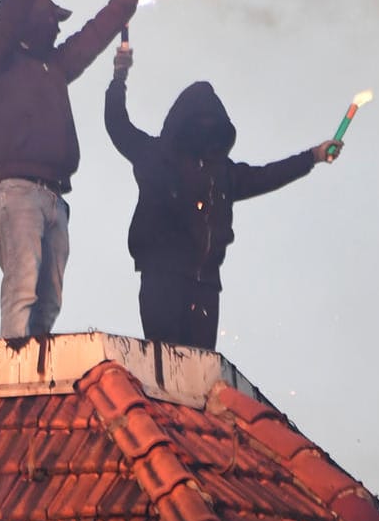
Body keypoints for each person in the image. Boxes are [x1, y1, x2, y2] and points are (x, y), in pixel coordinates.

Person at [104, 41, 340, 350]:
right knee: (163, 365)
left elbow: (267, 175)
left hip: (206, 285)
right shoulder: (155, 156)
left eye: (210, 125)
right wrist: (118, 78)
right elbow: (117, 124)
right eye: (198, 123)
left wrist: (313, 156)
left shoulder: (223, 173)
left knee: (199, 373)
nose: (204, 130)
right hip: (162, 277)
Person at [0, 0, 151, 342]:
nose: (57, 28)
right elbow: (4, 21)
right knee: (22, 288)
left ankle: (35, 369)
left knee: (49, 299)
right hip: (15, 192)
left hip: (55, 198)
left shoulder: (54, 66)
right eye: (52, 19)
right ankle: (16, 373)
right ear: (30, 22)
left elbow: (93, 35)